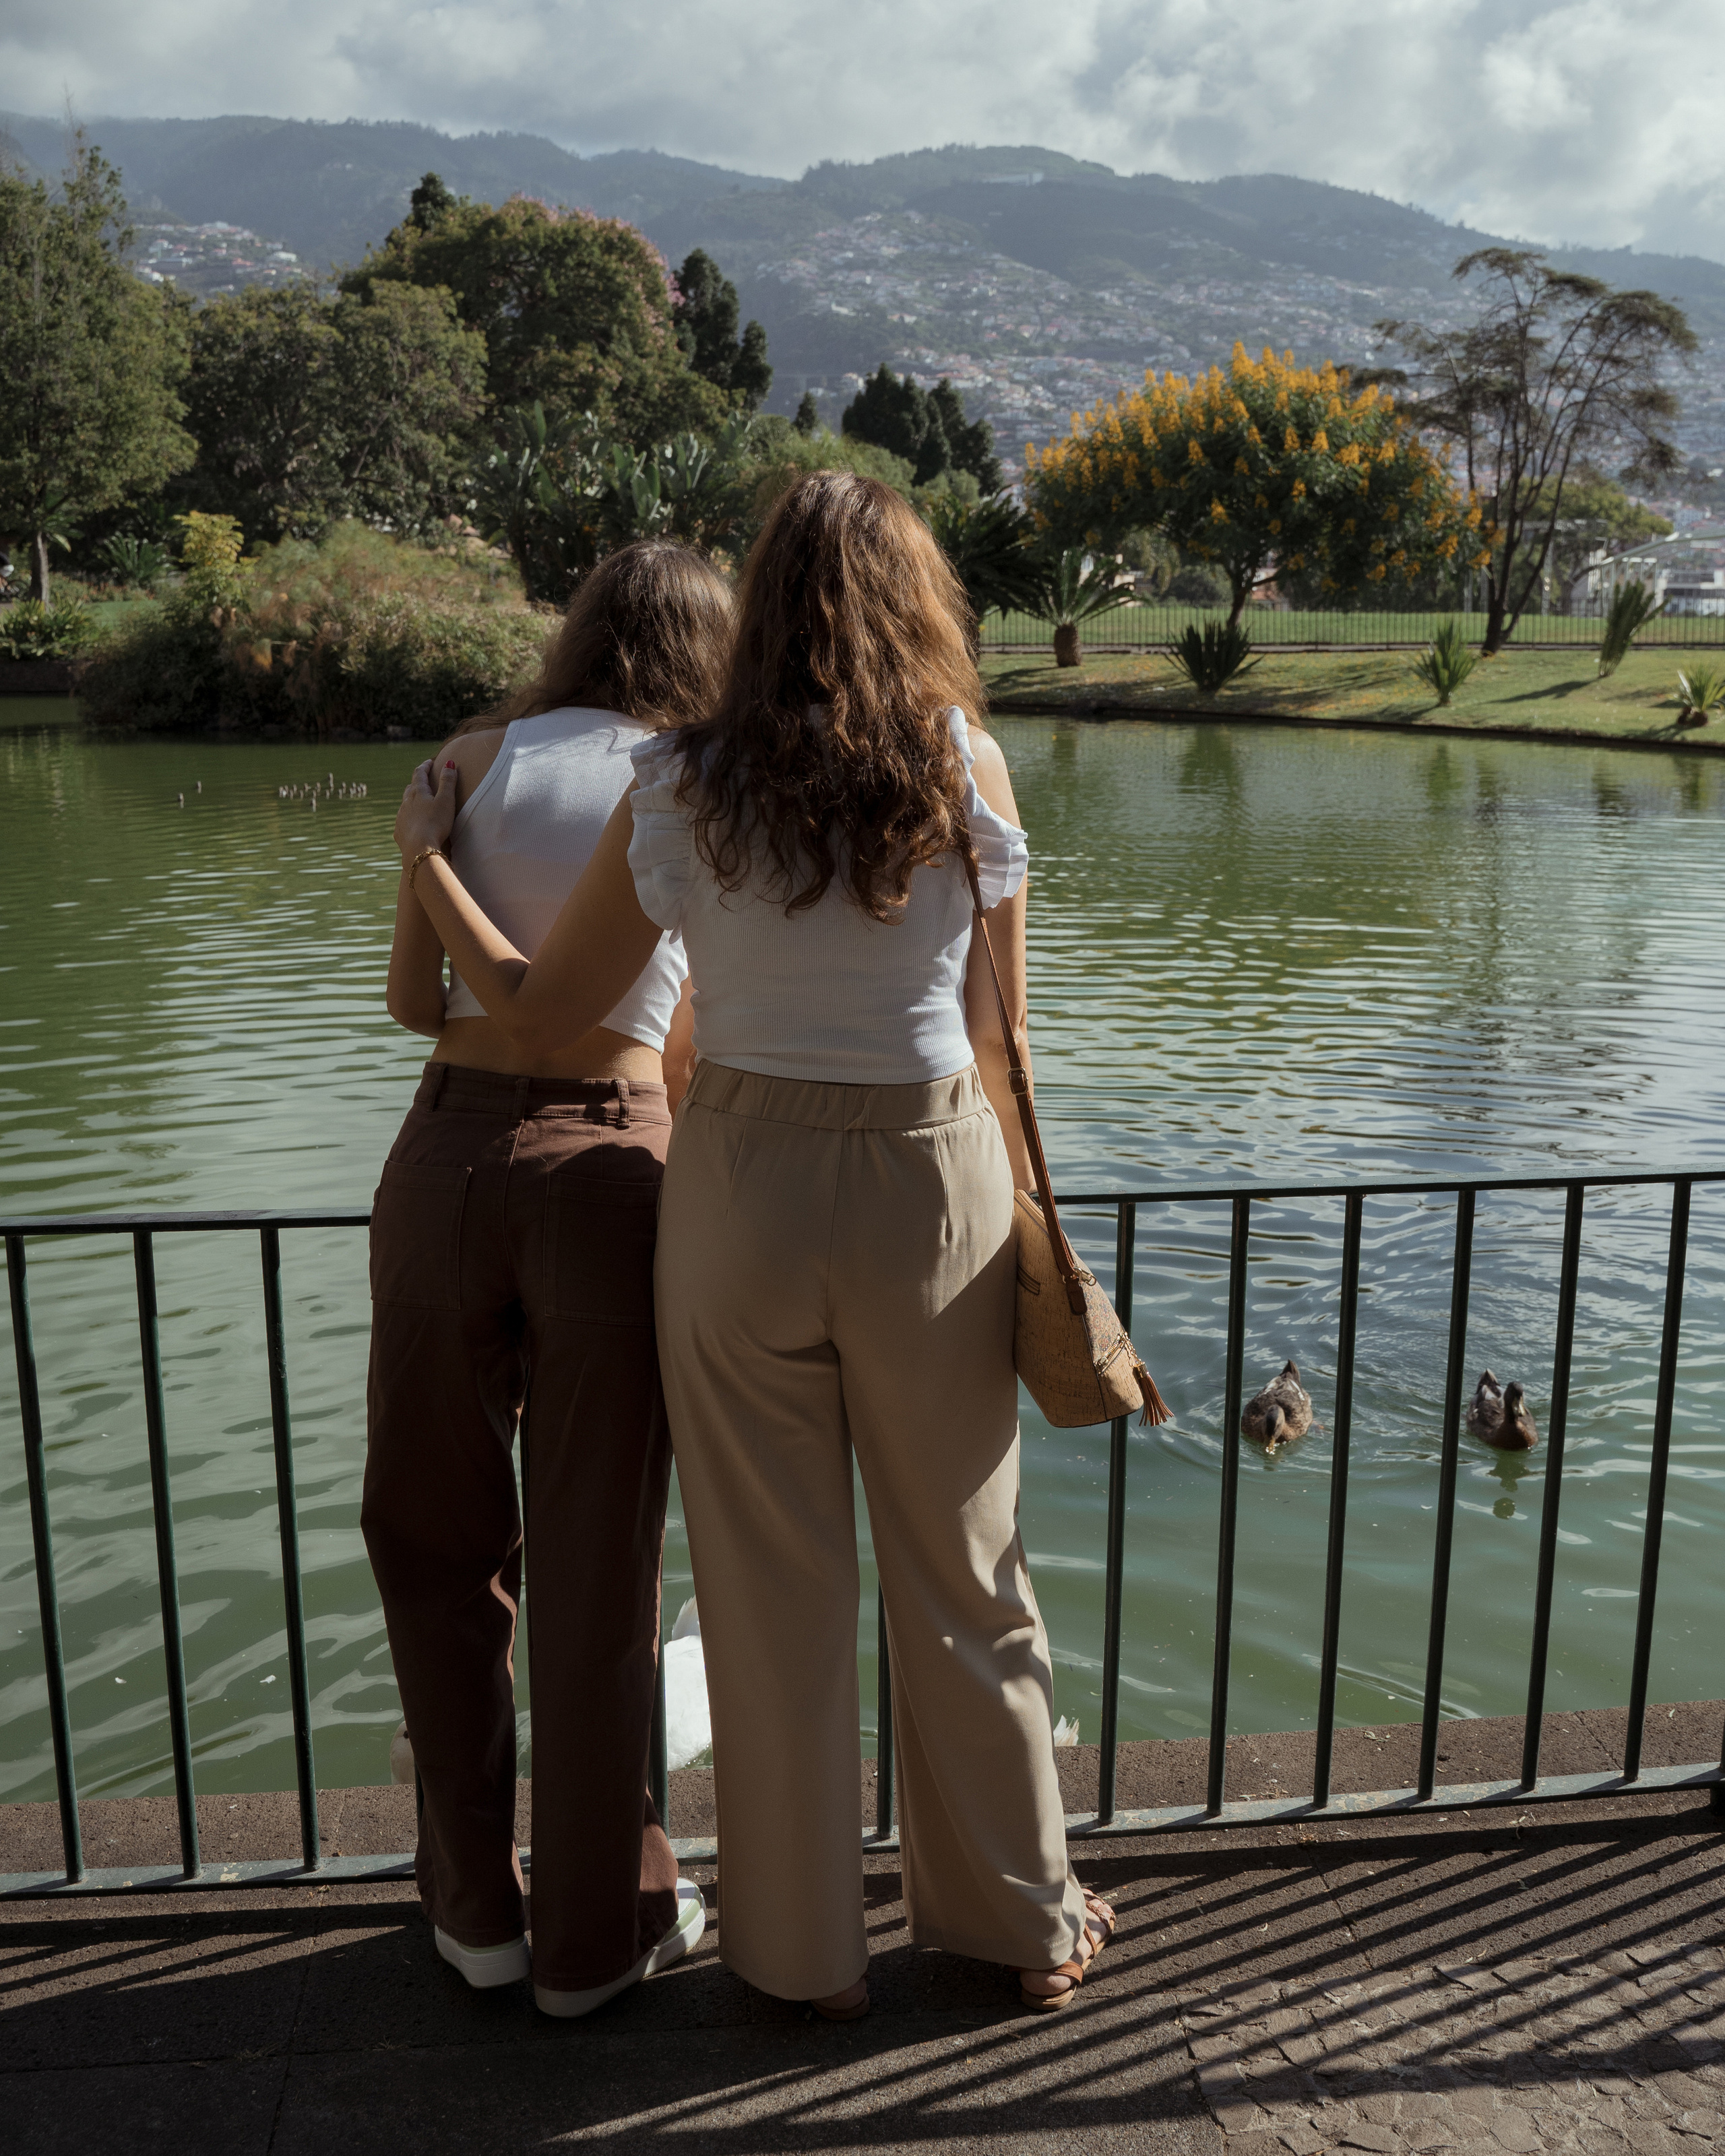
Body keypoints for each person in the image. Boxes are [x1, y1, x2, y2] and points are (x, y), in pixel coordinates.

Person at [393, 472, 1115, 2016]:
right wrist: (1032, 1217)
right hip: (929, 1176)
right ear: (919, 601)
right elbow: (1007, 1049)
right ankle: (1015, 1922)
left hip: (729, 1190)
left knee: (766, 1588)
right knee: (965, 1566)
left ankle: (797, 1957)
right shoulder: (961, 764)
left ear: (763, 605)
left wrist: (428, 860)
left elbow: (528, 1008)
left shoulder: (680, 783)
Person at [365, 540, 731, 2019]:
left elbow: (411, 1003)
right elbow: (691, 1045)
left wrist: (427, 863)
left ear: (576, 633)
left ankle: (473, 1912)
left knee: (435, 1540)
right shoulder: (705, 778)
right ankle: (592, 1938)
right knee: (599, 1564)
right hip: (611, 1164)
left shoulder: (464, 759)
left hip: (444, 1157)